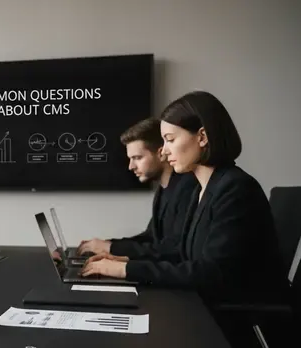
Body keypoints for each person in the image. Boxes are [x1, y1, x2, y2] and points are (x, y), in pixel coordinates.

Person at [80, 91, 288, 305]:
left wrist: (126, 269)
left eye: (170, 140)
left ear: (203, 137)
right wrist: (124, 261)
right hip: (210, 307)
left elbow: (213, 273)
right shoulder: (204, 188)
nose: (164, 151)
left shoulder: (235, 188)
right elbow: (181, 253)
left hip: (239, 317)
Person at [77, 118, 197, 259]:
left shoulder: (187, 188)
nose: (131, 166)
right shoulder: (164, 189)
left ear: (161, 153)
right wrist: (107, 245)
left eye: (137, 158)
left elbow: (172, 250)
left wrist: (111, 248)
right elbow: (150, 238)